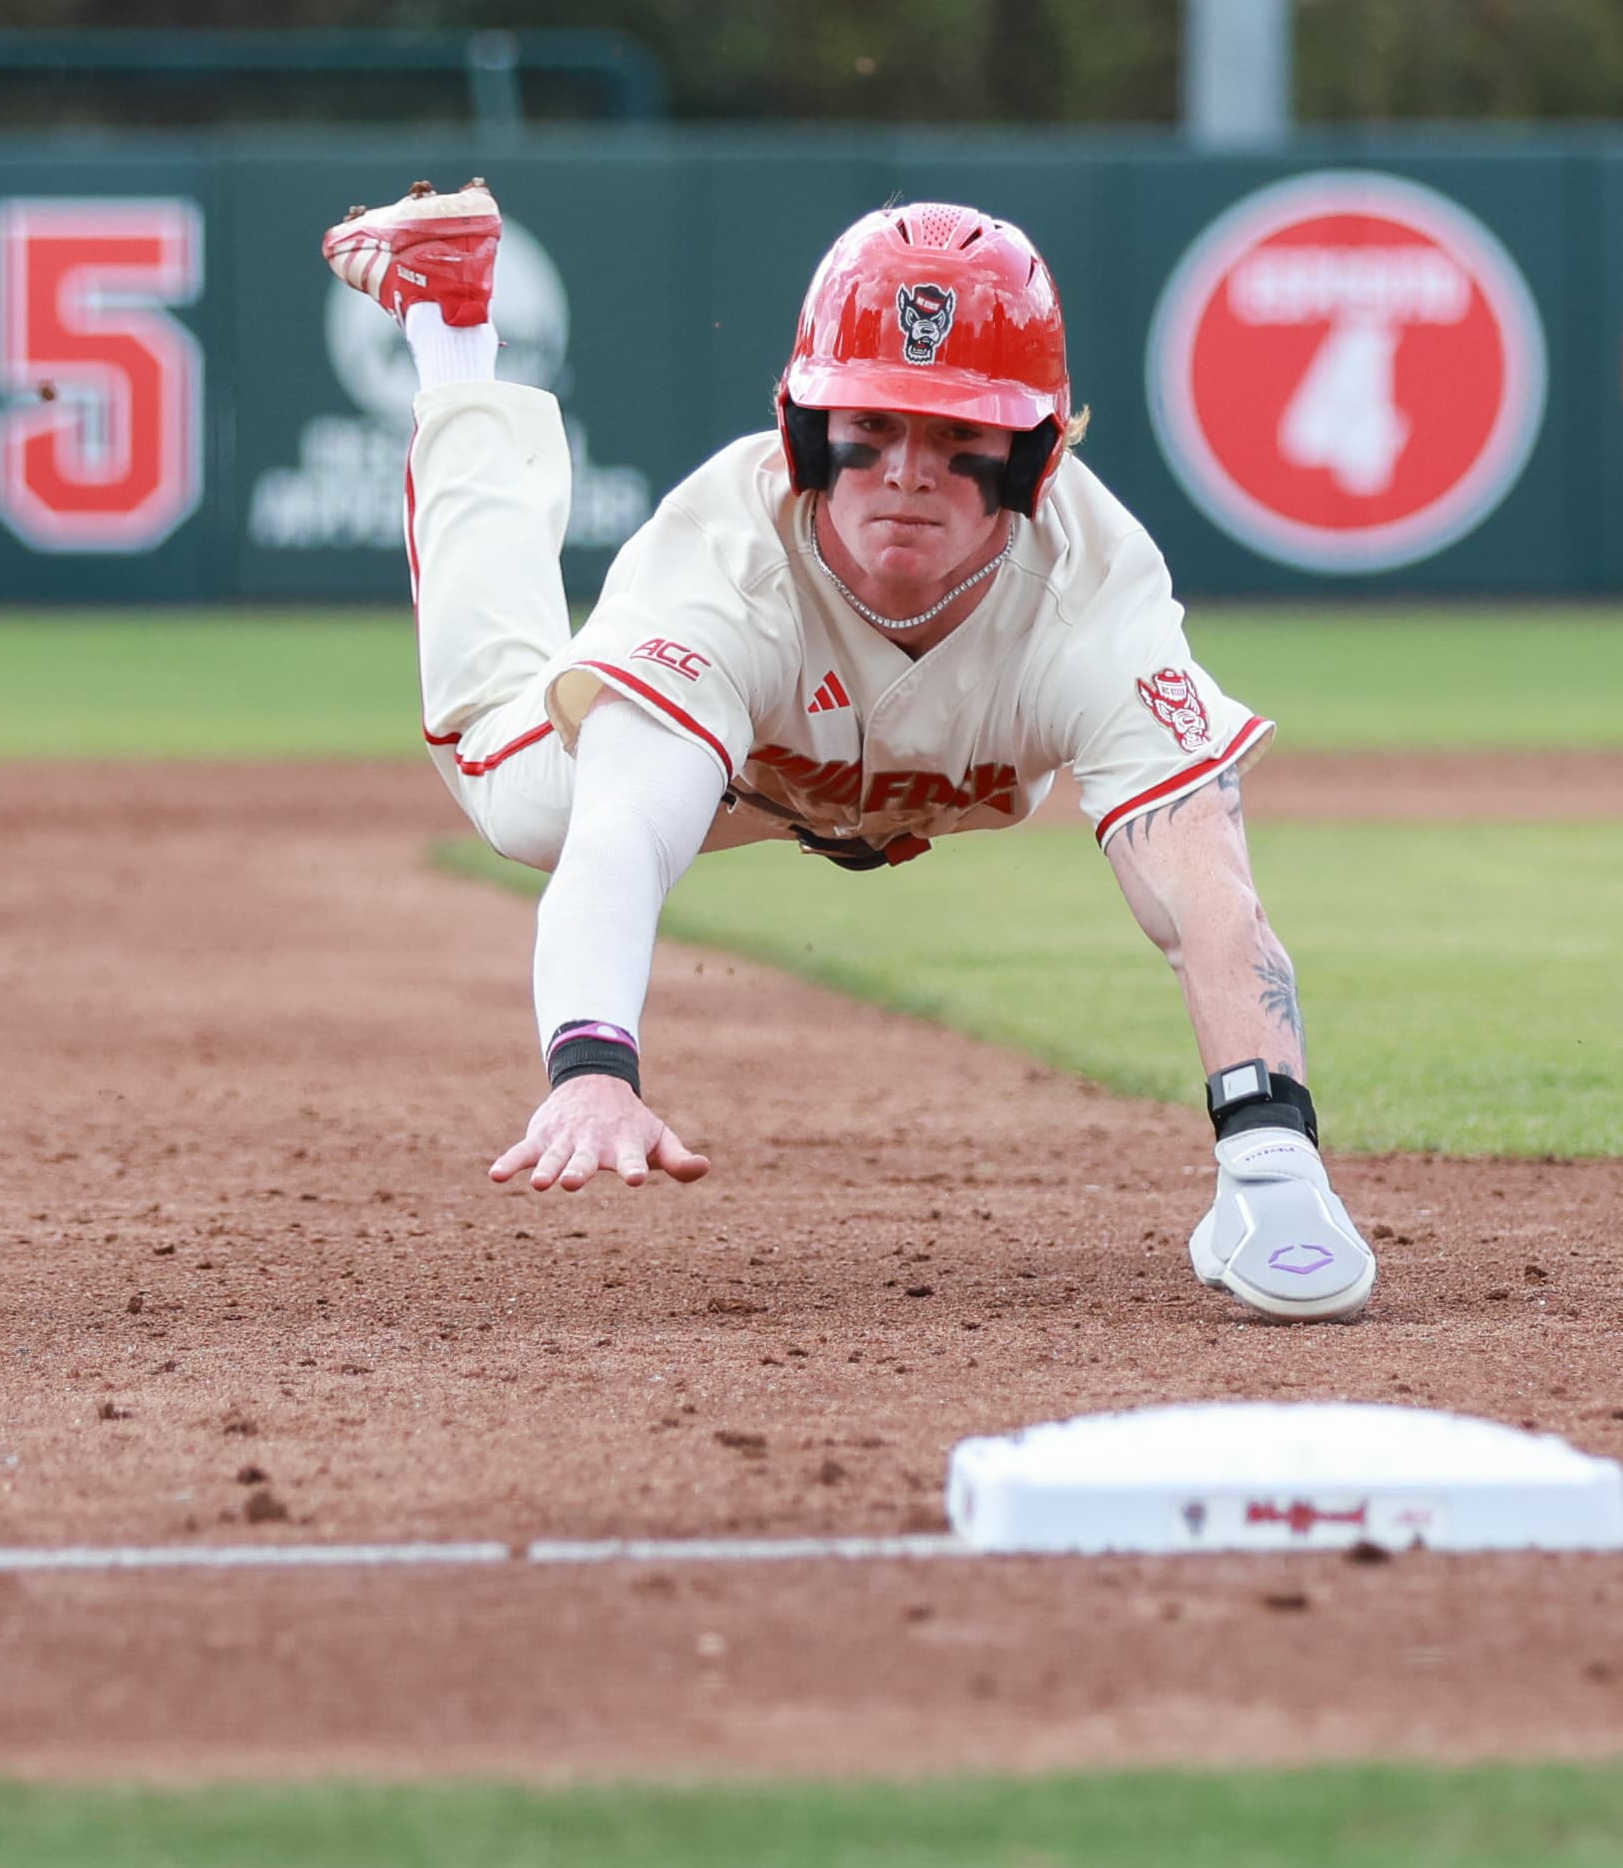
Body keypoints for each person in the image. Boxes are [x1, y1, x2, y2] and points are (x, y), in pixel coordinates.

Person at [324, 180, 1379, 1322]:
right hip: (744, 760)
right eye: (870, 427)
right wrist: (592, 1070)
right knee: (526, 803)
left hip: (918, 768)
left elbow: (1203, 891)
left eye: (959, 434)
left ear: (1034, 454)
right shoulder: (723, 568)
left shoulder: (1094, 591)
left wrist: (1271, 1156)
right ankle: (452, 330)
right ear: (806, 431)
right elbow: (623, 838)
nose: (907, 470)